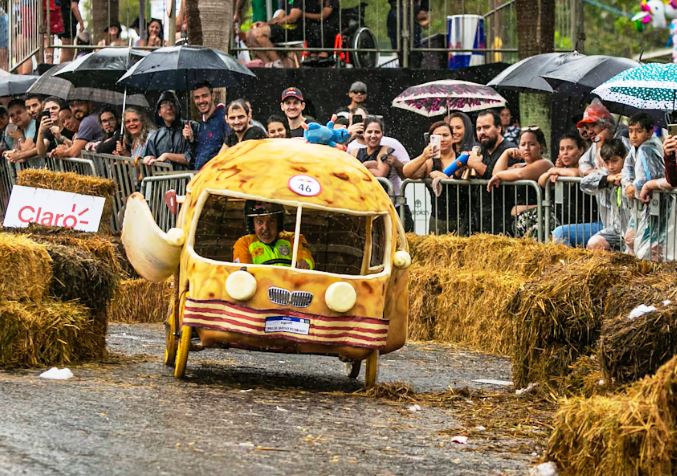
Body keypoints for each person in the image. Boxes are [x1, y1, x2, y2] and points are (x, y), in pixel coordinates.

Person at [487, 127, 554, 238]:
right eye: (523, 144)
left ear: (541, 147)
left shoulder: (545, 164)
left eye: (531, 144)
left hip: (538, 222)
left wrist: (499, 175)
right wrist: (506, 153)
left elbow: (520, 174)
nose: (526, 148)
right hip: (518, 222)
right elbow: (495, 173)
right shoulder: (519, 166)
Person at [403, 121, 468, 234]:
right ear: (431, 141)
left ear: (453, 138)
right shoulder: (430, 161)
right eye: (437, 137)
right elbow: (407, 172)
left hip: (464, 218)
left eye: (445, 135)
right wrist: (424, 156)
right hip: (438, 219)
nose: (442, 139)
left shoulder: (462, 158)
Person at [621, 113, 665, 259]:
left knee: (650, 247)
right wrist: (628, 184)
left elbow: (647, 178)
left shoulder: (648, 148)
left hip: (655, 203)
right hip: (642, 206)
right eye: (631, 130)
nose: (633, 135)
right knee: (632, 240)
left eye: (639, 131)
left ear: (649, 131)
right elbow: (626, 168)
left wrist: (633, 187)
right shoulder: (635, 148)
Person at [466, 109, 517, 234]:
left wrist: (477, 166)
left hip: (503, 218)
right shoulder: (479, 150)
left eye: (486, 127)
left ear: (499, 128)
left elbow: (497, 178)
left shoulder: (510, 151)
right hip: (480, 216)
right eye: (478, 129)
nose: (482, 132)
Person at [581, 138, 630, 252]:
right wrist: (607, 180)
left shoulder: (632, 173)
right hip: (614, 230)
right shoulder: (604, 174)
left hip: (634, 230)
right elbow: (584, 184)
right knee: (594, 243)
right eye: (607, 162)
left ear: (624, 157)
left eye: (614, 161)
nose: (611, 166)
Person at [233, 200, 315, 269]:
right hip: (259, 286)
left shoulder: (294, 239)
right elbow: (243, 272)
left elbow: (306, 258)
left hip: (290, 286)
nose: (265, 228)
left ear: (278, 222)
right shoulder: (244, 243)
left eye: (271, 221)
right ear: (252, 224)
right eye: (259, 222)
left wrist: (304, 263)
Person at [183, 82, 230, 170]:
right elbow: (196, 158)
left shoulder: (224, 118)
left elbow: (231, 144)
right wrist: (191, 140)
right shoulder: (201, 125)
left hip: (217, 176)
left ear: (213, 96)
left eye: (204, 96)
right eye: (197, 97)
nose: (201, 101)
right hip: (201, 177)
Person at [142, 91, 190, 169]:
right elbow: (148, 166)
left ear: (178, 108)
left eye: (172, 103)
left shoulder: (191, 127)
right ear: (159, 112)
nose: (169, 107)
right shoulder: (155, 137)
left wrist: (167, 156)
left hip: (189, 180)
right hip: (163, 180)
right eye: (164, 104)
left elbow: (192, 158)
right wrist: (148, 159)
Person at [246, 2, 303, 67]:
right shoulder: (286, 2)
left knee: (258, 33)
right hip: (281, 29)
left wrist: (276, 22)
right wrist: (265, 24)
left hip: (294, 31)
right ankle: (268, 63)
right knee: (249, 35)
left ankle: (277, 62)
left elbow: (292, 18)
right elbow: (278, 17)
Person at [387, 0, 429, 68]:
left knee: (415, 48)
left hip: (412, 9)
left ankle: (413, 70)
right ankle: (405, 69)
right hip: (397, 8)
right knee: (399, 47)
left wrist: (424, 8)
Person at [2, 99, 37, 164]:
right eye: (12, 115)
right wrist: (10, 154)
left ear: (27, 111)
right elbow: (17, 151)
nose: (15, 117)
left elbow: (26, 150)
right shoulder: (18, 128)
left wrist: (20, 137)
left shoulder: (34, 124)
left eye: (19, 112)